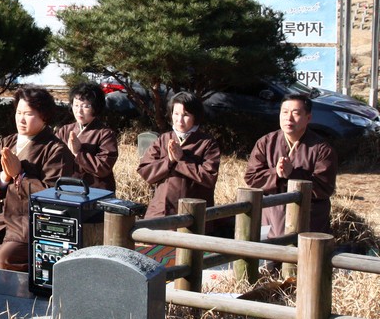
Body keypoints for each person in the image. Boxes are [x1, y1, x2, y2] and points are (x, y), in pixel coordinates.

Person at [0, 86, 75, 272]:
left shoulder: (56, 150)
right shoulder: (8, 142)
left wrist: (20, 175)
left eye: (29, 114)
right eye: (18, 112)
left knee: (4, 258)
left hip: (33, 221)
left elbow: (53, 195)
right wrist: (5, 176)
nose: (21, 119)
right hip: (6, 216)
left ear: (44, 116)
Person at [244, 93, 337, 238]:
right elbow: (251, 178)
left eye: (296, 113)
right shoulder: (266, 142)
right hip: (271, 215)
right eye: (285, 112)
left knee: (305, 252)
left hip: (308, 219)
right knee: (269, 250)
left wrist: (293, 174)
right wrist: (276, 173)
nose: (289, 118)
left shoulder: (322, 149)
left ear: (308, 118)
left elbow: (325, 188)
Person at [137, 92, 221, 219]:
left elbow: (209, 178)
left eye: (186, 115)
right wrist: (169, 161)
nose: (179, 120)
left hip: (193, 214)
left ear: (195, 116)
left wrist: (182, 160)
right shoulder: (164, 139)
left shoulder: (207, 143)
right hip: (160, 211)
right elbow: (145, 171)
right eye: (176, 114)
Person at [54, 81, 118, 193]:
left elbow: (103, 168)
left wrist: (79, 153)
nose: (79, 111)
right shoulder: (64, 130)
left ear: (96, 107)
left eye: (86, 106)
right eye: (76, 105)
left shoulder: (105, 134)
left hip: (96, 192)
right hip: (67, 188)